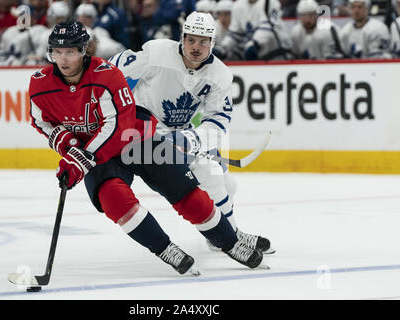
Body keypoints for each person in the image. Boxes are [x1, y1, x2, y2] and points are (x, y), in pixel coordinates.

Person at [29, 21, 266, 275]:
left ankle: (229, 241)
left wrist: (82, 157)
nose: (64, 60)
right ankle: (165, 249)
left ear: (84, 50)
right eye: (58, 52)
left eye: (71, 52)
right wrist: (69, 145)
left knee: (184, 187)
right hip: (99, 153)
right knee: (113, 199)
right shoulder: (40, 82)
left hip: (134, 137)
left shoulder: (106, 75)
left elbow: (117, 127)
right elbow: (40, 120)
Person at [109, 12, 274, 254]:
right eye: (191, 40)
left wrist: (192, 138)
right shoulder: (156, 53)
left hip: (181, 134)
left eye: (203, 41)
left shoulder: (220, 75)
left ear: (212, 43)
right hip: (141, 132)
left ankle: (220, 234)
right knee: (212, 175)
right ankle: (230, 236)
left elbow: (219, 119)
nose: (196, 47)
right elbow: (111, 72)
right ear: (182, 38)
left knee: (229, 184)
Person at [214, 0, 293, 60]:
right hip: (258, 54)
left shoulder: (270, 3)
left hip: (278, 53)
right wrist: (223, 48)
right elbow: (235, 33)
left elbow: (268, 27)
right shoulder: (238, 6)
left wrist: (255, 43)